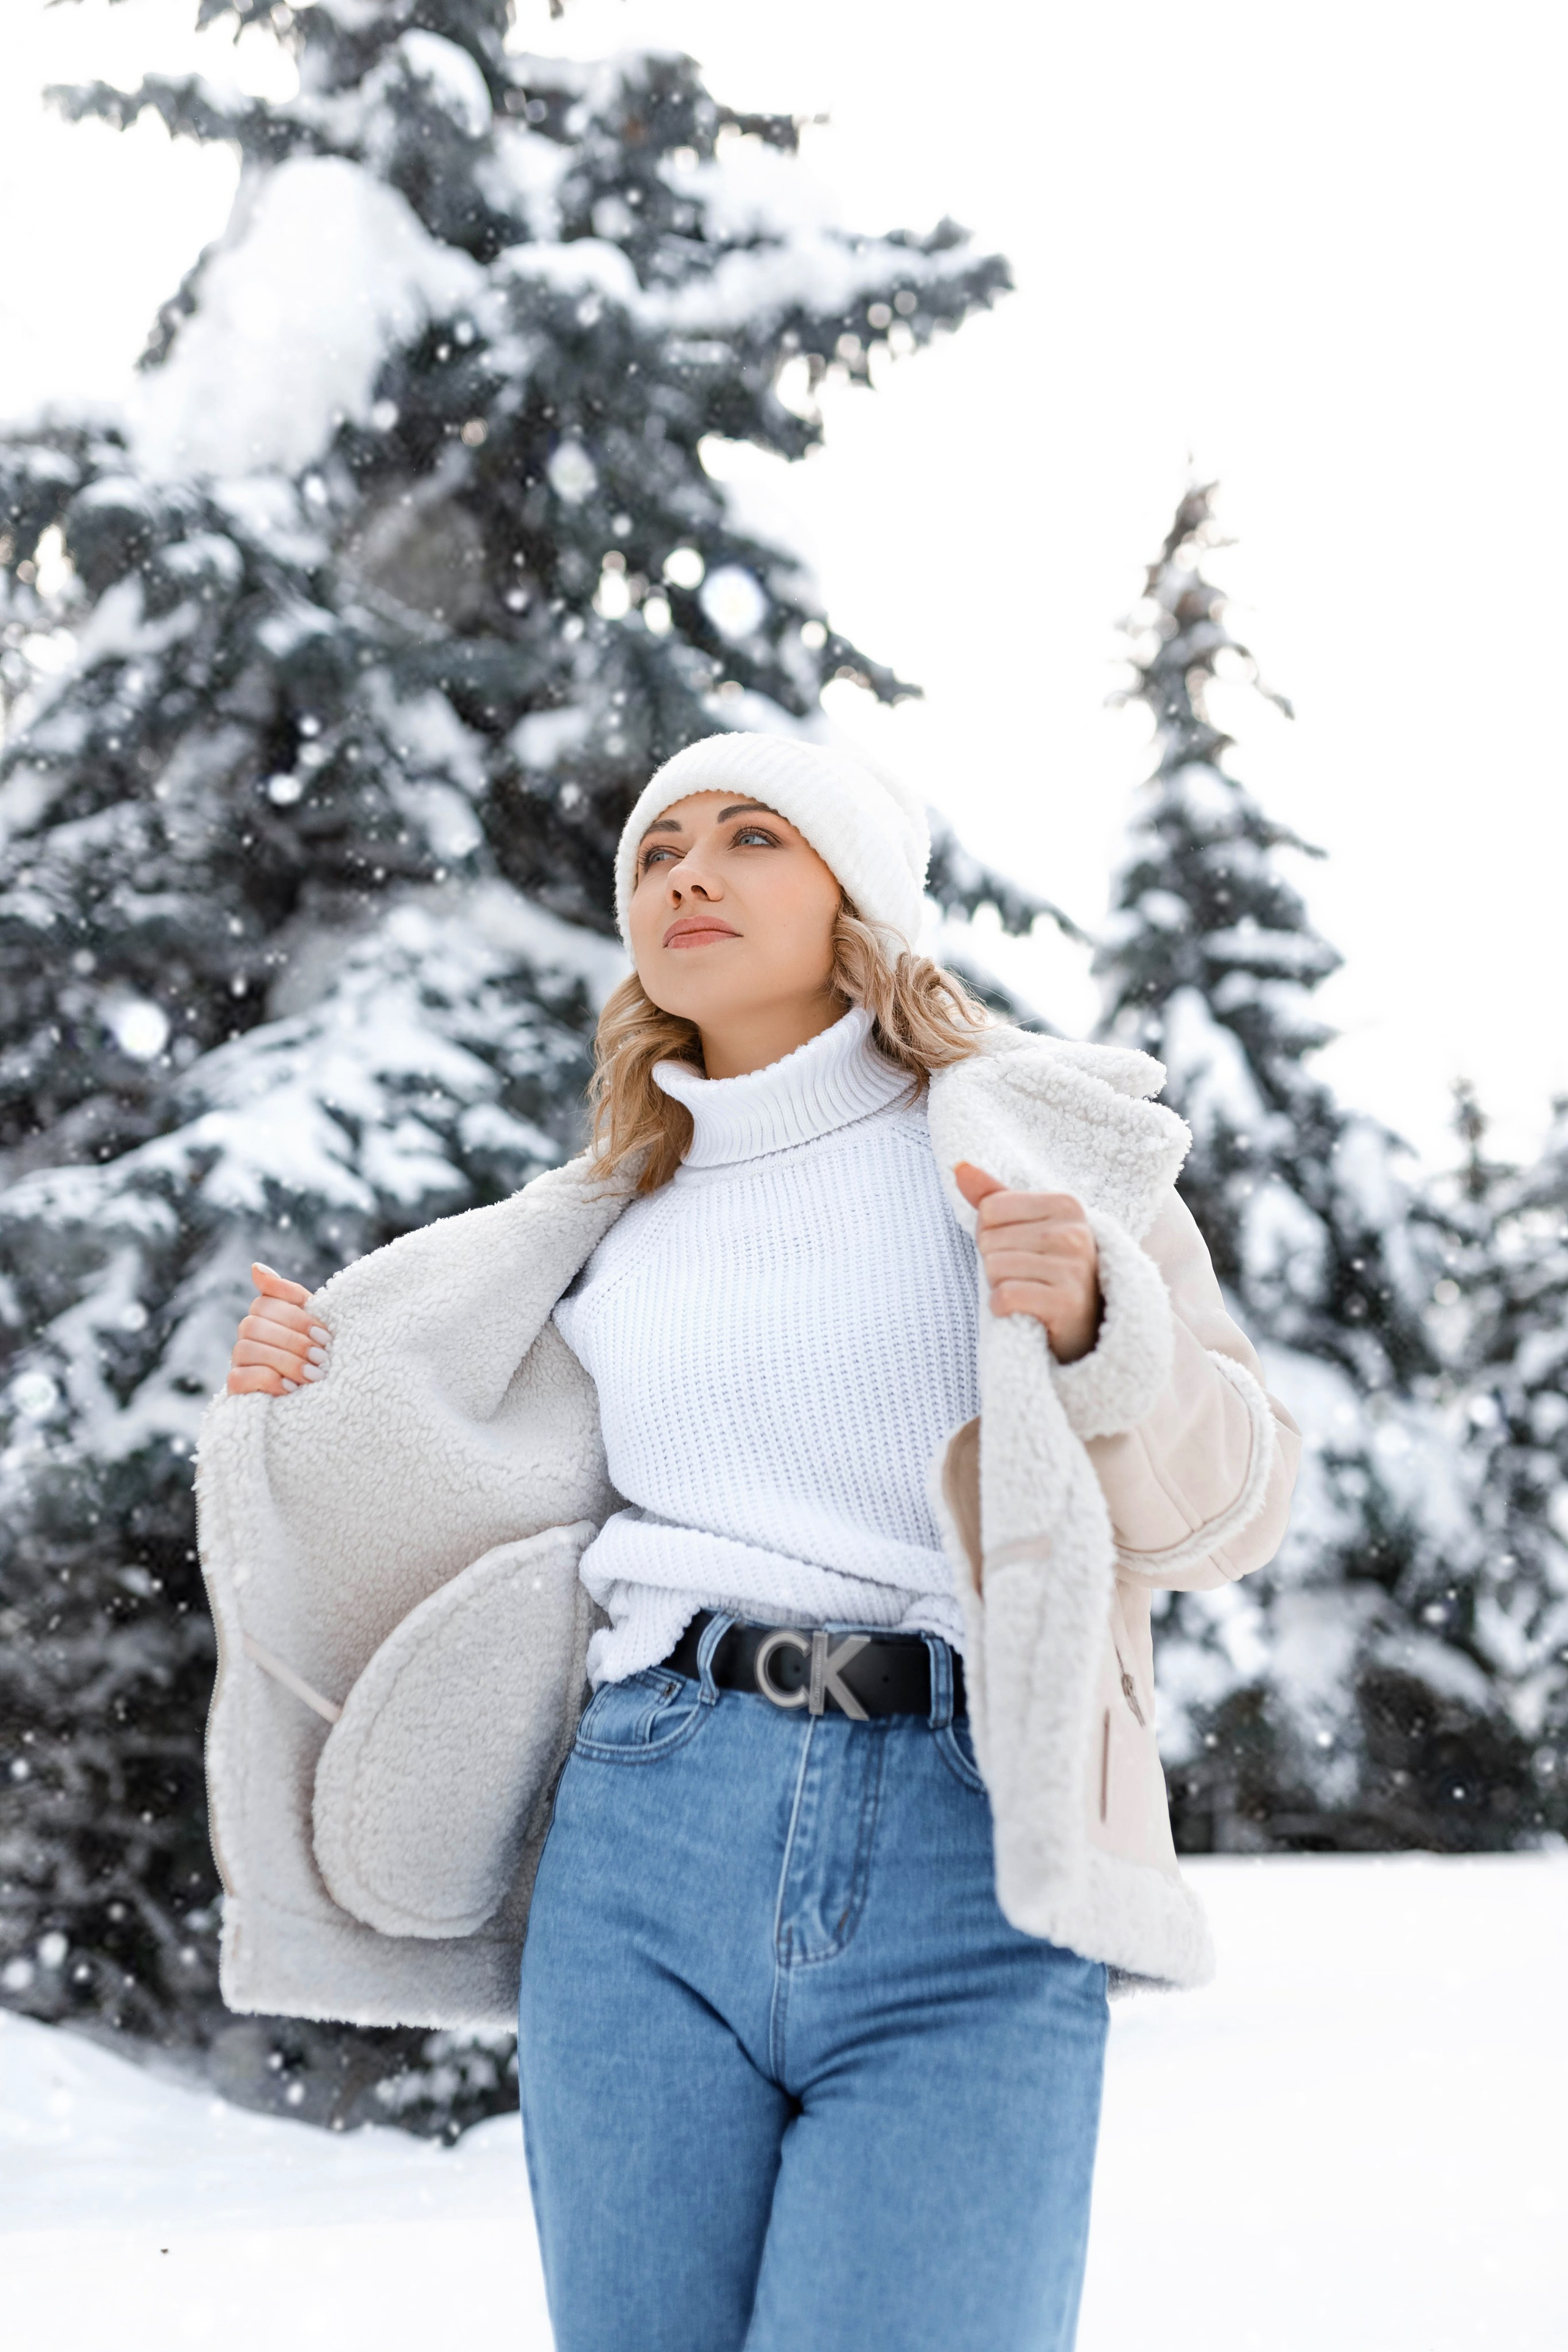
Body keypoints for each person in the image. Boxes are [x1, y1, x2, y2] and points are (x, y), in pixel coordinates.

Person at [210, 732, 1299, 2352]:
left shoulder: (1044, 1159)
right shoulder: (592, 1225)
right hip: (646, 1835)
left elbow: (1235, 1511)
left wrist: (1092, 1327)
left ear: (857, 895)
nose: (688, 876)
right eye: (657, 854)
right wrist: (305, 1401)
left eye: (750, 839)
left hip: (972, 1843)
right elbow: (448, 1509)